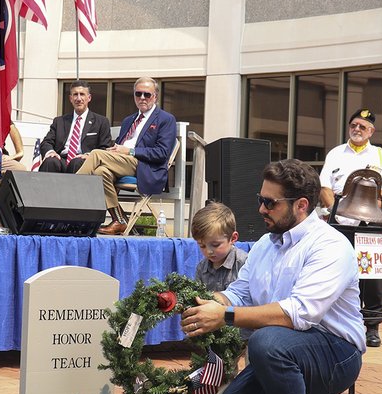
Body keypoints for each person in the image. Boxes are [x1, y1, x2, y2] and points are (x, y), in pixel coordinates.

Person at [180, 159, 363, 394]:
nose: (261, 209)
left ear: (301, 205)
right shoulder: (266, 243)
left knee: (266, 342)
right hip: (284, 351)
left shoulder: (330, 246)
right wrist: (205, 302)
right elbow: (240, 293)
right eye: (259, 200)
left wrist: (223, 315)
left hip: (336, 354)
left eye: (269, 202)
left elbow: (298, 315)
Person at [319, 108, 382, 346]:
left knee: (372, 277)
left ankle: (372, 326)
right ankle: (333, 322)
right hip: (338, 223)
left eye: (362, 127)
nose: (357, 130)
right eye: (354, 125)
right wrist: (338, 213)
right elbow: (324, 187)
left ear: (371, 131)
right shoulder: (335, 153)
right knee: (336, 272)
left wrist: (365, 208)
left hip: (369, 223)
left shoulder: (380, 155)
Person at [77, 77, 177, 235]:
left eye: (147, 94)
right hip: (122, 162)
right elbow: (117, 148)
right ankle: (119, 221)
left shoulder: (166, 119)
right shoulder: (129, 120)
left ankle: (70, 199)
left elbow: (162, 153)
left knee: (96, 154)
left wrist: (130, 151)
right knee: (100, 172)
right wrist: (107, 152)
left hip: (144, 165)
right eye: (138, 94)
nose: (142, 98)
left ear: (155, 96)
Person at [39, 80, 112, 174]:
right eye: (75, 94)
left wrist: (90, 156)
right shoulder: (59, 121)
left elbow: (105, 148)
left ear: (89, 98)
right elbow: (46, 142)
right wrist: (50, 152)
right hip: (61, 159)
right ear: (70, 98)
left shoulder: (101, 122)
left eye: (82, 94)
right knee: (50, 161)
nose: (78, 98)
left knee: (76, 163)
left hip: (84, 160)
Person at [191, 201, 248, 293]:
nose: (209, 251)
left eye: (215, 245)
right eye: (202, 246)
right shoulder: (202, 268)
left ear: (233, 238)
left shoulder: (244, 263)